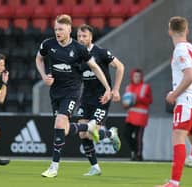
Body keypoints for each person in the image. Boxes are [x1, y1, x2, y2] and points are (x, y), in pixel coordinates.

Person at [35, 14, 112, 178]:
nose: (57, 32)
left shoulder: (79, 49)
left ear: (69, 29)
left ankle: (54, 167)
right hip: (55, 92)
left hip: (72, 92)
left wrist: (107, 88)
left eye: (61, 29)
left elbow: (95, 67)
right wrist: (43, 76)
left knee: (59, 123)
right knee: (64, 128)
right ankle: (88, 127)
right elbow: (39, 58)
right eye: (56, 29)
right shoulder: (48, 44)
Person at [76, 24, 124, 176]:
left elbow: (120, 67)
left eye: (84, 36)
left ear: (91, 37)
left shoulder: (101, 52)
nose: (81, 39)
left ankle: (110, 133)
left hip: (102, 97)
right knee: (82, 134)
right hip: (86, 98)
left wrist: (115, 89)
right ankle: (95, 167)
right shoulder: (77, 55)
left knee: (91, 131)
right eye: (79, 36)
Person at [156, 16, 192, 187]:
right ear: (186, 30)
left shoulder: (180, 50)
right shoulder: (190, 48)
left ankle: (174, 182)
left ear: (169, 31)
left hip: (185, 101)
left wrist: (174, 94)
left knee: (178, 137)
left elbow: (189, 75)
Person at [123, 68, 152, 161]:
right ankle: (135, 151)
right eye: (135, 76)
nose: (137, 78)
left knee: (138, 138)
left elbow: (149, 100)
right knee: (126, 134)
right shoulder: (128, 87)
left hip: (141, 117)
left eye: (139, 76)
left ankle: (138, 155)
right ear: (132, 77)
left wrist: (137, 99)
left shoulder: (145, 87)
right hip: (131, 116)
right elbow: (125, 103)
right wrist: (126, 104)